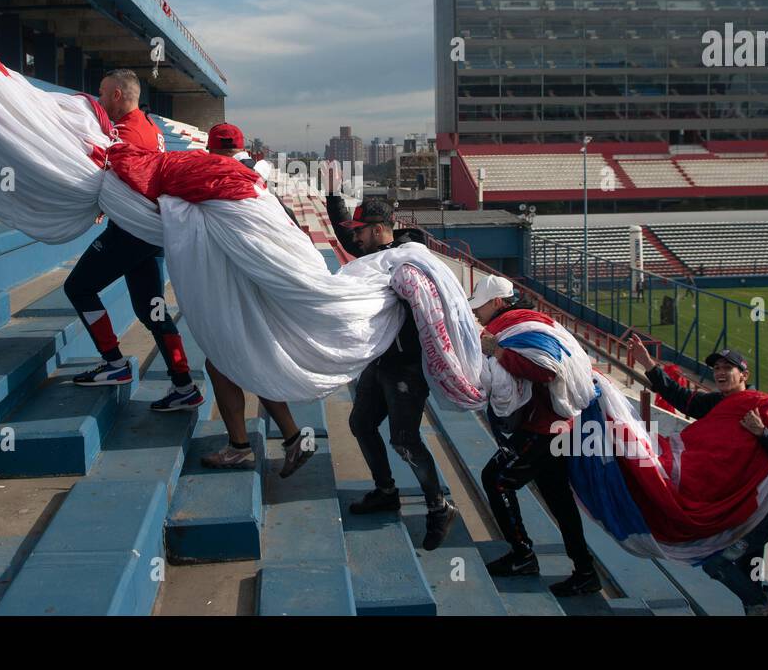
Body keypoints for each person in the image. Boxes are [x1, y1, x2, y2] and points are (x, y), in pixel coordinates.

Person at [625, 335, 768, 615]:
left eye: (727, 368)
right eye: (716, 368)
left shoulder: (765, 408)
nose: (719, 373)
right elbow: (683, 399)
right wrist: (649, 365)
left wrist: (763, 433)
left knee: (715, 561)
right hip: (740, 508)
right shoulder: (719, 405)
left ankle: (763, 606)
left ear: (744, 374)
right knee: (749, 569)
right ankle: (759, 604)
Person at [326, 182, 457, 551]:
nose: (356, 242)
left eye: (361, 233)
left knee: (404, 439)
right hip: (381, 361)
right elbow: (351, 242)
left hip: (406, 370)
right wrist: (335, 198)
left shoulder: (407, 262)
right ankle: (386, 491)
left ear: (380, 230)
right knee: (361, 423)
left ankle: (439, 507)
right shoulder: (378, 257)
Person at [64, 69, 204, 412]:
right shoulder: (151, 128)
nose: (97, 99)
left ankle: (113, 363)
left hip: (132, 232)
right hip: (152, 230)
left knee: (78, 287)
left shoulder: (125, 132)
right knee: (151, 309)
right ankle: (183, 384)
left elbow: (105, 169)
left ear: (116, 95)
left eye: (101, 91)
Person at [471, 275, 602, 597]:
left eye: (481, 306)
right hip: (557, 425)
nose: (476, 313)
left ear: (498, 302)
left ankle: (523, 555)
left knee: (497, 479)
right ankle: (585, 572)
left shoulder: (514, 325)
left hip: (541, 428)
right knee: (558, 498)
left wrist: (498, 352)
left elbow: (546, 370)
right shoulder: (533, 321)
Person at [198, 122, 313, 477]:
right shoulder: (262, 185)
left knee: (221, 364)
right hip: (266, 293)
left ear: (213, 151)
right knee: (251, 363)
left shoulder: (217, 181)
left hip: (243, 295)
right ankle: (292, 438)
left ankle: (240, 447)